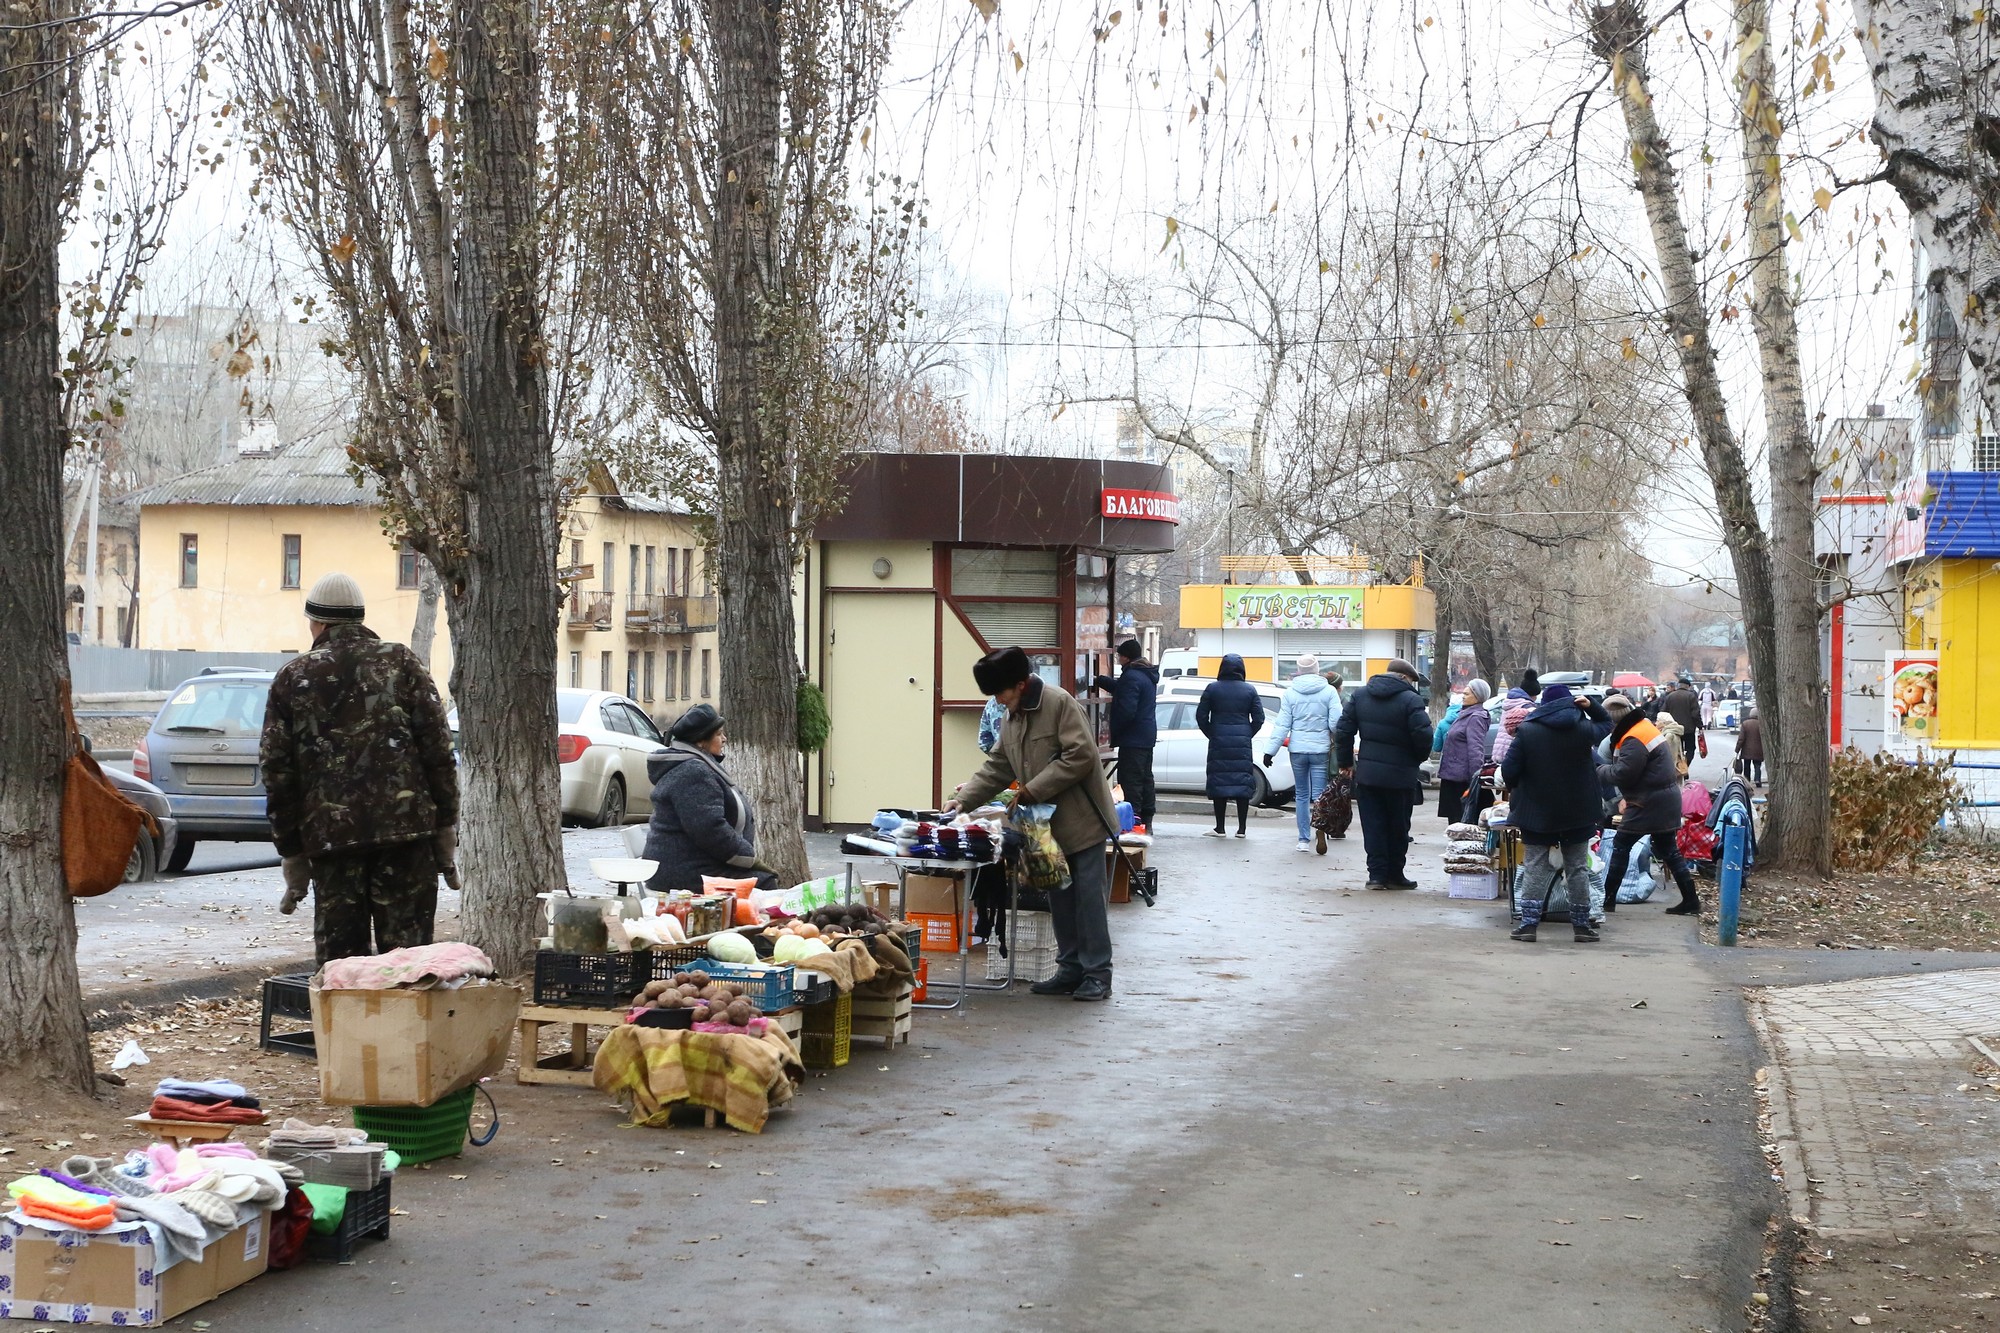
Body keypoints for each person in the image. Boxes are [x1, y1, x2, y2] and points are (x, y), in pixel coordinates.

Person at [260, 572, 459, 966]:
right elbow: (438, 750)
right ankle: (406, 1028)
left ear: (317, 623)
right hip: (407, 838)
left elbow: (277, 772)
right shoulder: (402, 662)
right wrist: (445, 827)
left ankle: (347, 1029)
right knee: (409, 968)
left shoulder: (293, 677)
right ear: (360, 619)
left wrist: (291, 851)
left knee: (342, 972)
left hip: (332, 846)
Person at [949, 647, 1118, 1001]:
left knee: (1087, 900)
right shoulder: (1011, 718)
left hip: (1081, 822)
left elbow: (1081, 756)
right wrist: (963, 802)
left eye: (1001, 692)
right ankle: (1069, 969)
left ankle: (1097, 974)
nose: (998, 700)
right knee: (1059, 898)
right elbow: (997, 766)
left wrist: (1033, 789)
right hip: (1040, 826)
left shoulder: (1059, 703)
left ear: (1022, 684)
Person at [1500, 685, 1612, 943]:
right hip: (1579, 811)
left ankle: (1528, 925)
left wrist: (1520, 786)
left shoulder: (1527, 730)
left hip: (1536, 812)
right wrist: (1591, 705)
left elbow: (1508, 770)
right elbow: (1606, 723)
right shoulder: (1583, 729)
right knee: (1577, 867)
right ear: (1571, 704)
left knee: (1535, 866)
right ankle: (1582, 927)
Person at [643, 703, 776, 893]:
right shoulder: (693, 772)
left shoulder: (694, 767)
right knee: (764, 882)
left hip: (690, 863)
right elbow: (710, 830)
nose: (724, 739)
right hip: (684, 872)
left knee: (761, 879)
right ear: (700, 741)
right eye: (718, 734)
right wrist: (749, 858)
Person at [1597, 694, 1702, 917]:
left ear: (1614, 719)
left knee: (1621, 844)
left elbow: (1624, 773)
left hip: (1647, 802)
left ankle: (1607, 899)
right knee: (1669, 851)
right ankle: (1691, 900)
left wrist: (1600, 770)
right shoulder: (1643, 727)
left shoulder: (1632, 738)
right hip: (1662, 799)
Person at [1332, 658, 1433, 890]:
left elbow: (1344, 730)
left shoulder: (1360, 695)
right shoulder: (1411, 699)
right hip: (1400, 776)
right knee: (1398, 825)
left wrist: (1346, 762)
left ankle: (1376, 876)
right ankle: (1396, 875)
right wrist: (1414, 759)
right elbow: (1424, 736)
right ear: (1406, 678)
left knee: (1373, 824)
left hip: (1368, 774)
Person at [1262, 653, 1338, 851]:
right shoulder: (1329, 691)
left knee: (1302, 794)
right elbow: (1335, 722)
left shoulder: (1290, 693)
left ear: (1299, 670)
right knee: (1319, 795)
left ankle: (1303, 840)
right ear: (1316, 669)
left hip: (1297, 749)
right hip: (1320, 748)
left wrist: (1270, 751)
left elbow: (1282, 725)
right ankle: (1321, 829)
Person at [1093, 638, 1159, 833]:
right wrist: (1103, 681)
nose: (1118, 659)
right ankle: (1146, 820)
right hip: (1145, 737)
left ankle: (1134, 822)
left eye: (1120, 655)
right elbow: (1123, 690)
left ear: (1126, 657)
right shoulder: (1144, 674)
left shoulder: (1132, 677)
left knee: (1131, 781)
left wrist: (1115, 731)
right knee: (1145, 778)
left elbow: (1127, 709)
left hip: (1133, 738)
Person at [1196, 654, 1264, 838]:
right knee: (1242, 782)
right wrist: (1247, 733)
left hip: (1219, 739)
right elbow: (1259, 718)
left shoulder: (1212, 688)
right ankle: (1241, 829)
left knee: (1220, 782)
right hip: (1242, 742)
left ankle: (1220, 827)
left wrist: (1212, 733)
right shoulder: (1250, 690)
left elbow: (1201, 716)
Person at [1436, 678, 1492, 824]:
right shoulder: (1464, 714)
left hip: (1461, 778)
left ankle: (1462, 846)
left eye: (1467, 694)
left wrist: (1475, 778)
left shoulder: (1476, 717)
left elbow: (1476, 748)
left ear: (1477, 697)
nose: (1463, 695)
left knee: (1461, 820)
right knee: (1455, 819)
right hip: (1453, 775)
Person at [1490, 669, 1538, 767]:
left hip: (1499, 752)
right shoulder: (1526, 708)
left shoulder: (1509, 703)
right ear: (1532, 695)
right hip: (1512, 754)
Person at [1657, 674, 1702, 765]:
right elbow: (1695, 714)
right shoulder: (1691, 696)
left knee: (1677, 750)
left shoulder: (1670, 696)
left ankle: (1679, 768)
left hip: (1674, 729)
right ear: (1688, 686)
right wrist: (1700, 726)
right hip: (1688, 729)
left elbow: (1663, 712)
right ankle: (1686, 766)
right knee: (1690, 749)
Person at [1736, 708, 1765, 787]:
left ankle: (1747, 781)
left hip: (1747, 750)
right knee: (1757, 766)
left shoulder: (1745, 724)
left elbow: (1741, 738)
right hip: (1758, 750)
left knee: (1746, 766)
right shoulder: (1761, 724)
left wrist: (1737, 749)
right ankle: (1757, 780)